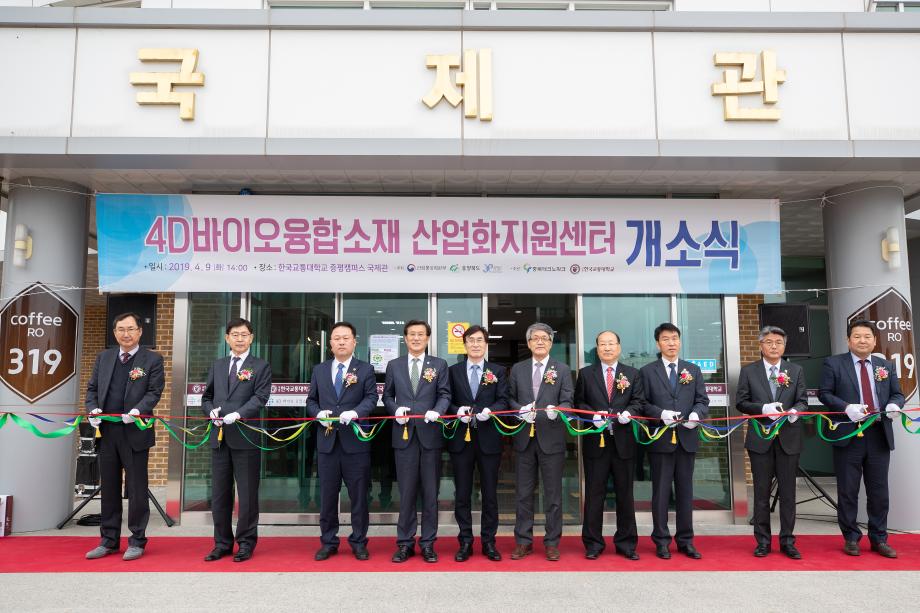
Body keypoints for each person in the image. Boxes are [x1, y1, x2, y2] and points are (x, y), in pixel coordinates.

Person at [818, 318, 904, 558]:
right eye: (857, 336)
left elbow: (897, 394)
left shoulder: (885, 365)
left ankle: (879, 539)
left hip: (878, 434)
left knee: (879, 491)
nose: (862, 341)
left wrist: (895, 405)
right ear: (848, 340)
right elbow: (824, 394)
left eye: (867, 336)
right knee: (848, 490)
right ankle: (851, 537)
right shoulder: (834, 363)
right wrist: (846, 407)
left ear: (875, 340)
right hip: (848, 433)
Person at [85, 312, 165, 561]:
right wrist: (92, 410)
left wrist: (138, 410)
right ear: (114, 332)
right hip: (107, 432)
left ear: (140, 331)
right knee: (109, 488)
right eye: (121, 329)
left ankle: (137, 540)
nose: (126, 334)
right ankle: (108, 540)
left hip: (135, 431)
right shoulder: (104, 357)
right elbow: (92, 389)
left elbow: (154, 392)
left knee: (137, 489)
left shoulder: (152, 359)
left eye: (131, 329)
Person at [201, 318, 272, 563]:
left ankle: (246, 542)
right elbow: (207, 396)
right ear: (227, 338)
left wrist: (239, 414)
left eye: (244, 334)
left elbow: (260, 397)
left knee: (247, 494)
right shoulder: (218, 365)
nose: (239, 339)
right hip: (220, 438)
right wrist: (209, 410)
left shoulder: (260, 366)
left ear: (251, 338)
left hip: (246, 437)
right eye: (235, 334)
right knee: (220, 494)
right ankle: (221, 543)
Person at [307, 321, 378, 561]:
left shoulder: (365, 369)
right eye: (336, 338)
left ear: (354, 342)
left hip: (355, 443)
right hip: (327, 443)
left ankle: (359, 541)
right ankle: (328, 541)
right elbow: (311, 400)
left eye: (346, 338)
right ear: (330, 343)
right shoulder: (319, 370)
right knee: (327, 496)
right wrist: (318, 414)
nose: (341, 342)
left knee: (359, 496)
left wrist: (356, 412)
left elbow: (371, 399)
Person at [736, 326, 807, 559]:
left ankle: (788, 541)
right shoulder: (749, 371)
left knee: (788, 494)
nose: (774, 346)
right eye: (769, 342)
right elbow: (741, 402)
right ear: (761, 345)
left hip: (788, 439)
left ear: (784, 346)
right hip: (760, 440)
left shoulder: (795, 370)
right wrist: (762, 408)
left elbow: (803, 400)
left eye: (778, 342)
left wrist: (796, 411)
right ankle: (763, 541)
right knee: (761, 493)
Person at [639, 323, 709, 560]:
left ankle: (686, 540)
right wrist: (661, 414)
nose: (671, 343)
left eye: (675, 338)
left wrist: (696, 415)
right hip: (660, 440)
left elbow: (702, 400)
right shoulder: (647, 371)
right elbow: (642, 403)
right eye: (666, 339)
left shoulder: (693, 370)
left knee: (685, 492)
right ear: (658, 343)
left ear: (680, 341)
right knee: (660, 493)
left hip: (686, 439)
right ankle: (661, 540)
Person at [383, 320, 450, 563]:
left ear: (428, 338)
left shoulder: (439, 365)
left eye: (421, 334)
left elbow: (445, 394)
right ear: (405, 338)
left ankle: (428, 543)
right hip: (403, 436)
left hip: (430, 434)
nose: (416, 338)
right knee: (407, 492)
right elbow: (387, 396)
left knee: (430, 493)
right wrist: (395, 410)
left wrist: (438, 411)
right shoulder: (394, 365)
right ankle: (405, 543)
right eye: (412, 334)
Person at [508, 322, 574, 562]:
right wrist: (520, 410)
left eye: (544, 338)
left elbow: (568, 400)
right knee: (523, 494)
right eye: (535, 338)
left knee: (553, 494)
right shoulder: (518, 369)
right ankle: (523, 541)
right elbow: (509, 398)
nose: (539, 342)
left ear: (551, 343)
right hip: (524, 439)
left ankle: (552, 542)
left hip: (551, 439)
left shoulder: (562, 369)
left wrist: (559, 410)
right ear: (528, 343)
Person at [577, 330, 645, 561]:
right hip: (596, 442)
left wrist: (629, 412)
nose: (607, 348)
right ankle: (593, 543)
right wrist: (591, 415)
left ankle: (626, 543)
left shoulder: (632, 374)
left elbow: (639, 401)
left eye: (611, 343)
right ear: (597, 349)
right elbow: (579, 402)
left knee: (625, 494)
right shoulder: (586, 374)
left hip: (624, 443)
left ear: (619, 347)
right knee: (594, 494)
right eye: (602, 344)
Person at [446, 325, 508, 562]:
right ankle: (465, 541)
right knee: (462, 493)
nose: (475, 344)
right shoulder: (453, 371)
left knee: (489, 494)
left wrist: (491, 410)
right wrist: (456, 410)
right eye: (471, 340)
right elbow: (446, 399)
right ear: (464, 345)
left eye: (479, 340)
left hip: (488, 439)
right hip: (461, 441)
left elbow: (504, 400)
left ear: (486, 344)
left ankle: (489, 541)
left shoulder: (497, 371)